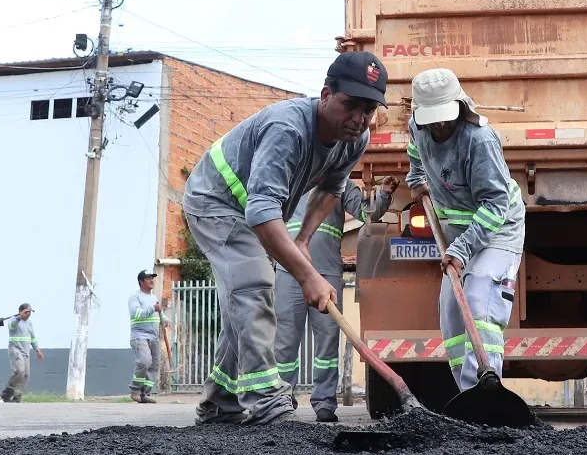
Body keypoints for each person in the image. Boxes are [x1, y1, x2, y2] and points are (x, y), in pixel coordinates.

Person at [179, 50, 387, 425]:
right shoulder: (288, 129)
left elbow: (331, 189)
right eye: (351, 105)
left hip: (251, 209)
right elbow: (261, 211)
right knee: (254, 285)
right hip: (216, 200)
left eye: (368, 110)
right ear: (326, 95)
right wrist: (309, 277)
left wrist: (303, 240)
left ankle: (220, 400)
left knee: (243, 301)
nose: (359, 119)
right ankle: (265, 399)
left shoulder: (355, 139)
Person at [405, 68, 526, 392]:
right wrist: (416, 178)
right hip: (457, 229)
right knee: (451, 314)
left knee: (479, 298)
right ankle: (468, 393)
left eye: (445, 118)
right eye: (432, 120)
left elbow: (496, 205)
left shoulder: (478, 140)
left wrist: (461, 250)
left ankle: (486, 394)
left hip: (498, 227)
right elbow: (415, 149)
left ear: (459, 105)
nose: (439, 126)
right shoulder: (417, 126)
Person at [274, 175, 397, 422]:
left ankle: (324, 403)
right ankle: (282, 400)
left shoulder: (341, 181)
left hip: (326, 273)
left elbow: (367, 214)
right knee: (284, 342)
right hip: (290, 271)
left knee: (327, 343)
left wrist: (383, 194)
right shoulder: (290, 177)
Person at [128, 270, 163, 403]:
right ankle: (135, 391)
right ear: (141, 281)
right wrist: (153, 309)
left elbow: (159, 312)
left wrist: (165, 320)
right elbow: (135, 313)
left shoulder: (154, 298)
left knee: (154, 365)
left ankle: (144, 394)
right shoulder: (135, 296)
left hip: (154, 336)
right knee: (144, 361)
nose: (152, 280)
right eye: (148, 278)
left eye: (152, 278)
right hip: (140, 335)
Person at [0, 303, 42, 403]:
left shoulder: (29, 323)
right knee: (19, 371)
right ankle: (7, 392)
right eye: (26, 312)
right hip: (15, 350)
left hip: (26, 352)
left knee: (26, 375)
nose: (28, 314)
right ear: (20, 311)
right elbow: (12, 326)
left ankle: (17, 398)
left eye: (30, 312)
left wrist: (37, 350)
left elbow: (33, 337)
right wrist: (19, 317)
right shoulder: (13, 320)